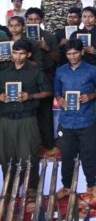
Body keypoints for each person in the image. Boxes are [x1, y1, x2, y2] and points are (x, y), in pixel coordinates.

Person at [54, 39, 96, 197]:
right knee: (67, 155)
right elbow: (56, 91)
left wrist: (90, 96)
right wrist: (60, 99)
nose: (72, 57)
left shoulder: (92, 70)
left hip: (86, 119)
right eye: (68, 54)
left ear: (82, 52)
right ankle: (66, 186)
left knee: (89, 154)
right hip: (66, 121)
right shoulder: (60, 71)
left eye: (75, 53)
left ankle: (92, 185)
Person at [0, 39, 52, 188]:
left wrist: (30, 96)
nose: (17, 57)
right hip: (5, 119)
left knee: (28, 156)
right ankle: (9, 190)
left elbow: (48, 92)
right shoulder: (3, 71)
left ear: (28, 54)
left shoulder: (35, 71)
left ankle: (31, 190)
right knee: (6, 158)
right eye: (15, 53)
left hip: (27, 118)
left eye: (21, 54)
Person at [24, 7, 61, 150]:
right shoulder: (22, 36)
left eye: (36, 19)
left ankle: (48, 144)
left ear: (42, 20)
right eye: (30, 19)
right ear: (26, 20)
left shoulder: (49, 36)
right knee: (29, 113)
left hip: (46, 77)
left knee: (45, 112)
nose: (33, 22)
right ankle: (31, 144)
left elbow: (58, 58)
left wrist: (46, 48)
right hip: (26, 79)